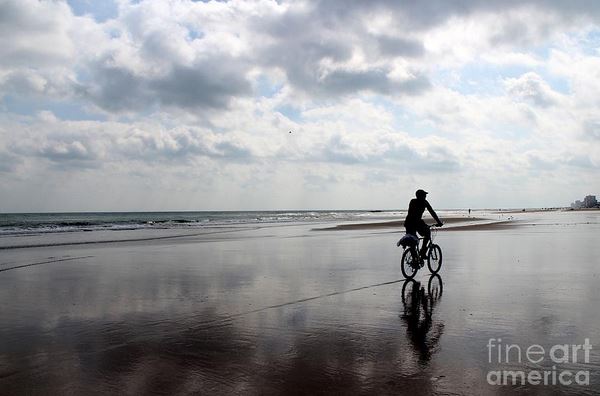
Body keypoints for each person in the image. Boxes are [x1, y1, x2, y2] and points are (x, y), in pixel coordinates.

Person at [404, 189, 443, 259]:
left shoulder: (412, 201)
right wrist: (439, 222)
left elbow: (411, 213)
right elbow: (432, 212)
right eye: (424, 195)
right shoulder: (424, 202)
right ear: (421, 196)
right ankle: (422, 252)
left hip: (408, 222)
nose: (425, 196)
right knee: (427, 233)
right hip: (417, 222)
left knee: (412, 241)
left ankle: (414, 260)